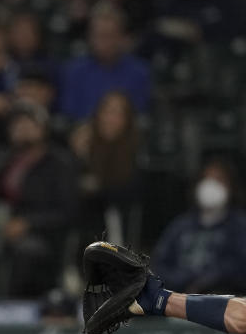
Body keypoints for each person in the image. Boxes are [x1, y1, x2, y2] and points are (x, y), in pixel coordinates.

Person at [0, 102, 78, 297]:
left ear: (44, 128)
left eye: (29, 123)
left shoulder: (59, 163)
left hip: (46, 237)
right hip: (3, 230)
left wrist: (28, 223)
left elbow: (67, 212)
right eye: (17, 124)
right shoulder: (4, 162)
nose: (22, 128)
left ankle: (15, 310)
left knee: (25, 251)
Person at [150, 159, 246, 296]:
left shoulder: (239, 226)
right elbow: (158, 265)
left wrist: (207, 281)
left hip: (222, 300)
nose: (210, 185)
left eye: (218, 180)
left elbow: (239, 268)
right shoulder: (180, 226)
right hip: (177, 299)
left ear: (231, 187)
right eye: (206, 179)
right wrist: (183, 281)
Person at [69, 91, 141, 244]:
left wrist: (97, 187)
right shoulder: (84, 146)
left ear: (127, 120)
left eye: (118, 114)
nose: (110, 119)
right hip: (83, 223)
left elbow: (127, 193)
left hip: (115, 223)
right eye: (106, 112)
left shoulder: (135, 151)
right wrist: (80, 156)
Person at [59, 3, 150, 120]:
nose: (103, 42)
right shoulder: (74, 72)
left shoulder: (139, 73)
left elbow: (140, 116)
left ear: (121, 38)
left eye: (108, 35)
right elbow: (69, 116)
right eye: (98, 35)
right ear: (89, 37)